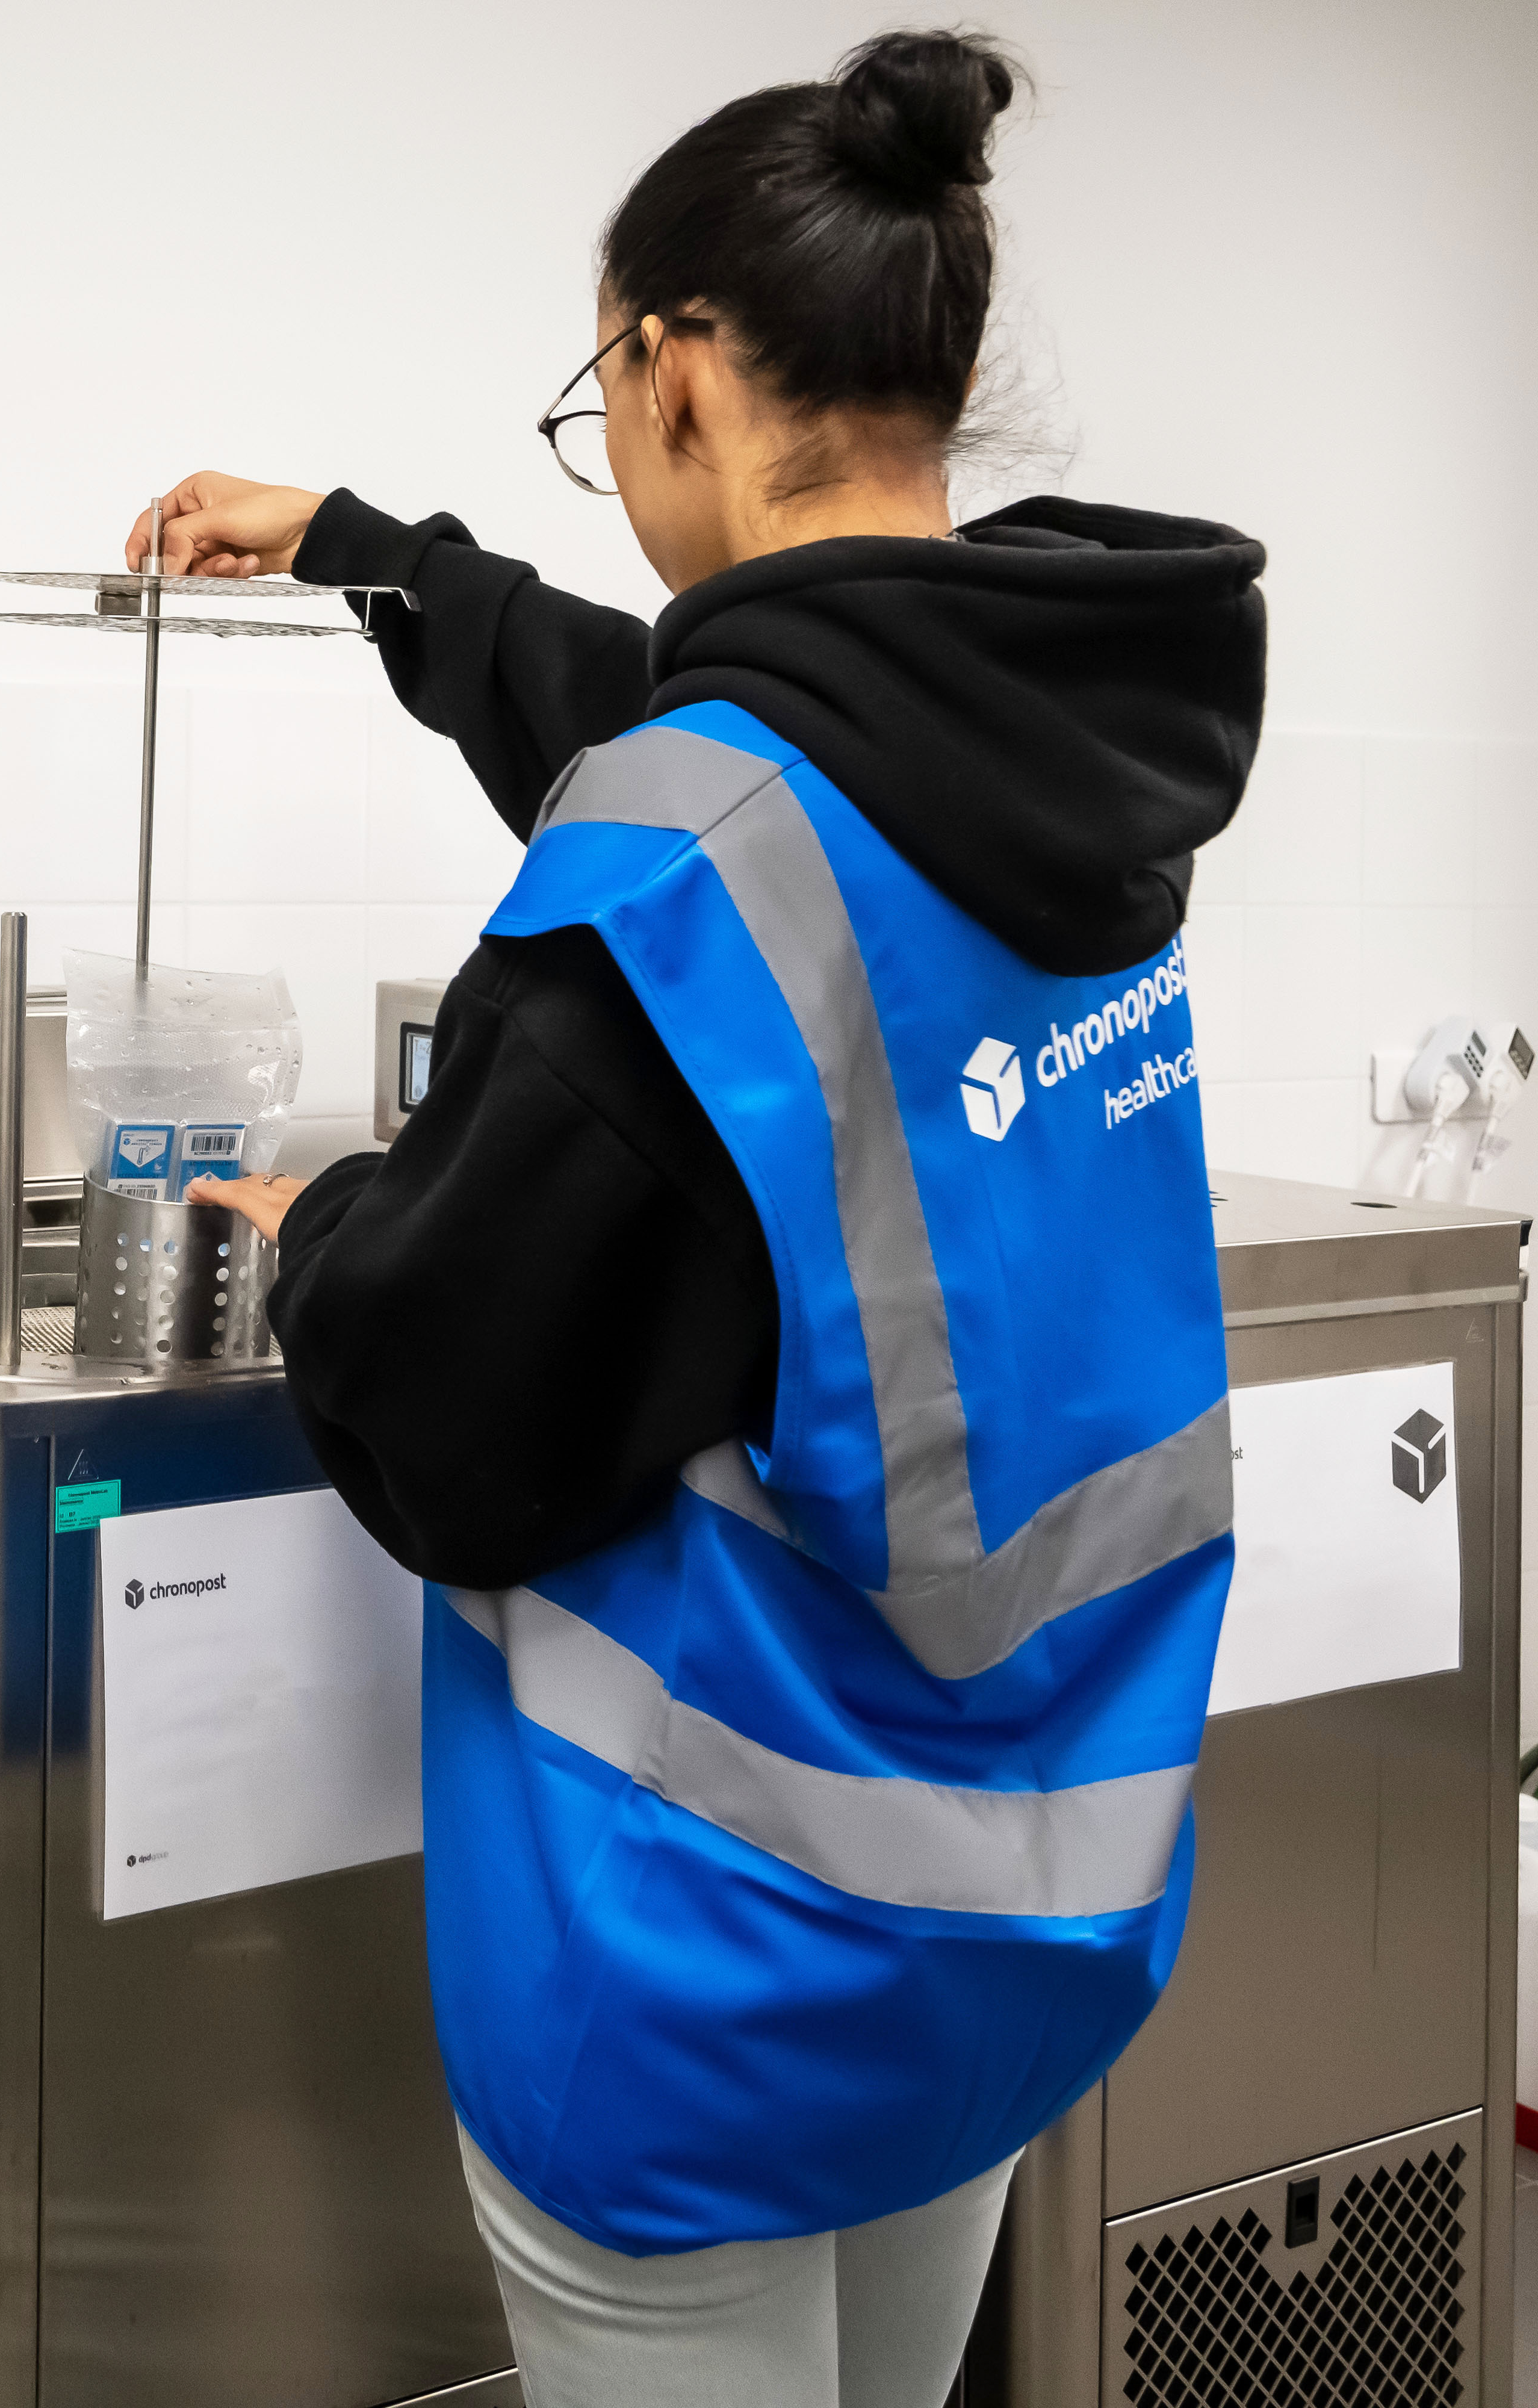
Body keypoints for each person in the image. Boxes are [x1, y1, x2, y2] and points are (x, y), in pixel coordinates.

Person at [141, 28, 1262, 2408]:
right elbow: (704, 708)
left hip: (721, 1976)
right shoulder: (1064, 748)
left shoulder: (677, 871)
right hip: (1023, 1911)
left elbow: (445, 1413)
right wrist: (371, 549)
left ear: (668, 374)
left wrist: (334, 1212)